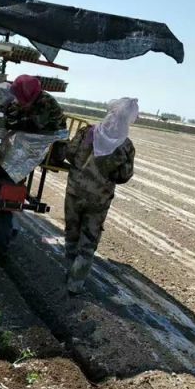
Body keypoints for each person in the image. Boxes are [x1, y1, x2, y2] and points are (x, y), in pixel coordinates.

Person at [64, 97, 138, 295]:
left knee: (72, 233)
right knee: (88, 242)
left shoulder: (87, 132)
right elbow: (123, 176)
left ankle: (68, 271)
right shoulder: (126, 146)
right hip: (99, 199)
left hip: (74, 192)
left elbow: (69, 153)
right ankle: (75, 284)